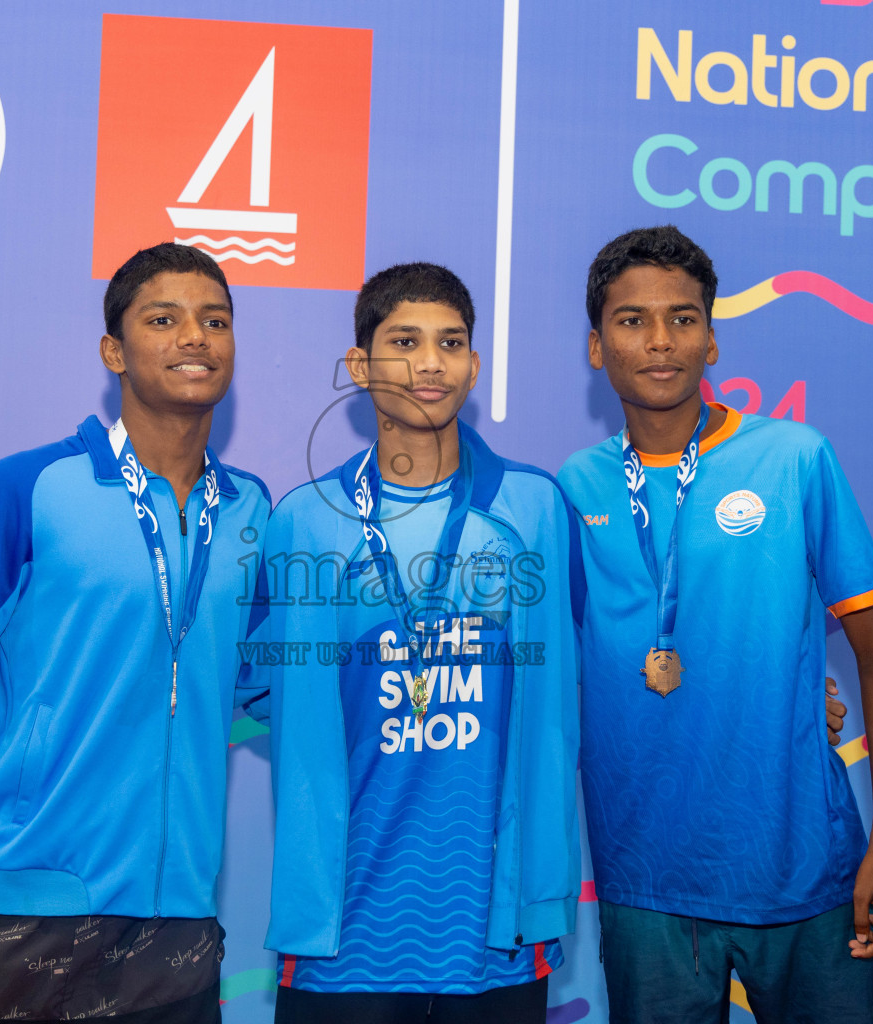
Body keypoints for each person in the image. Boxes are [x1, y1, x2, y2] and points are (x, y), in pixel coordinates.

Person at [0, 243, 272, 1024]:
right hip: (4, 926)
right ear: (114, 352)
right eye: (162, 319)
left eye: (215, 320)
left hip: (175, 937)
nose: (195, 337)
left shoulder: (254, 514)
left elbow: (269, 687)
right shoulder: (25, 489)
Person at [558, 226, 873, 1024]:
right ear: (594, 345)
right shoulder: (572, 489)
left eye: (683, 319)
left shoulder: (793, 459)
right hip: (645, 879)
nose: (659, 341)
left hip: (805, 870)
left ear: (713, 339)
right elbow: (560, 672)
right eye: (631, 319)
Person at [260, 264, 580, 1023]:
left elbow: (595, 658)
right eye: (405, 341)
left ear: (474, 364)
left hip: (496, 932)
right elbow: (240, 676)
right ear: (361, 366)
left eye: (452, 342)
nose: (431, 362)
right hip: (342, 930)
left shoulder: (533, 507)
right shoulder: (304, 520)